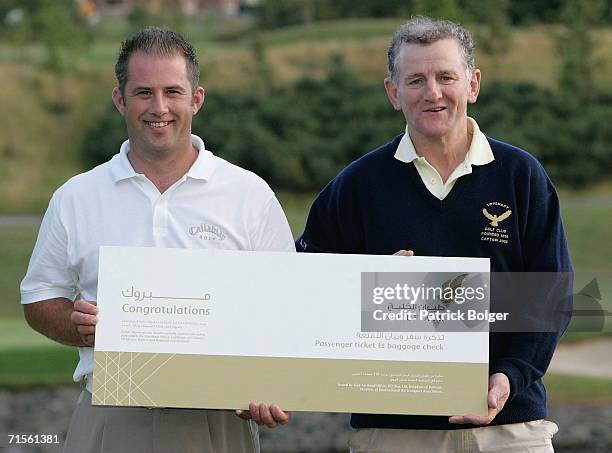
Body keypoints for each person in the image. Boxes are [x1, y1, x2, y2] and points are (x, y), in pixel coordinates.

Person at [296, 17, 572, 452]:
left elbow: (550, 296)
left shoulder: (522, 177)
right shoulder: (356, 186)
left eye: (446, 77)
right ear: (393, 92)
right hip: (393, 434)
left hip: (510, 429)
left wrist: (509, 377)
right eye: (416, 80)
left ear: (473, 83)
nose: (433, 93)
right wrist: (361, 282)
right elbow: (302, 288)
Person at [21, 27, 292, 453]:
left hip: (217, 418)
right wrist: (78, 327)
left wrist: (268, 384)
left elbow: (286, 305)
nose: (159, 107)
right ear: (119, 99)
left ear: (196, 99)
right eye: (144, 92)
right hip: (110, 414)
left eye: (173, 91)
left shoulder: (249, 194)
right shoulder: (76, 196)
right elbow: (39, 299)